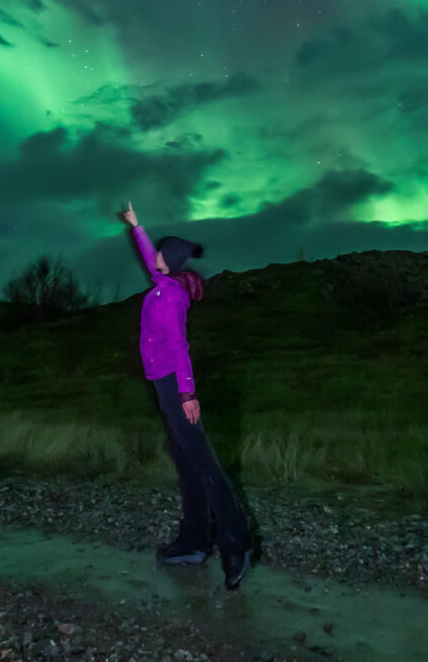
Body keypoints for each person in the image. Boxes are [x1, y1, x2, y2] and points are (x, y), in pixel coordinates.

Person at [118, 201, 252, 590]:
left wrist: (188, 393)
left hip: (176, 385)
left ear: (171, 262)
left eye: (160, 252)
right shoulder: (163, 283)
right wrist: (136, 226)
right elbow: (148, 256)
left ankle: (237, 544)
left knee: (204, 463)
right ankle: (194, 543)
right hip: (162, 383)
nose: (154, 256)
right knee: (186, 460)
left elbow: (180, 345)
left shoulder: (172, 297)